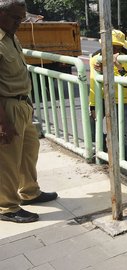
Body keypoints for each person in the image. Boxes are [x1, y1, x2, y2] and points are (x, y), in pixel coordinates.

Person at [0, 0, 57, 223]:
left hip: (22, 103)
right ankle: (6, 206)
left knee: (29, 149)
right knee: (8, 159)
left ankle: (29, 191)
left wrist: (28, 102)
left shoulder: (11, 37)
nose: (19, 23)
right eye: (15, 18)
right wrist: (3, 123)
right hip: (7, 107)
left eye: (21, 18)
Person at [89, 29, 127, 160]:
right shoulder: (96, 58)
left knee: (125, 134)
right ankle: (102, 152)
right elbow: (93, 83)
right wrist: (92, 104)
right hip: (102, 99)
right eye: (110, 46)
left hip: (123, 100)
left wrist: (119, 67)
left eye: (117, 47)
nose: (114, 50)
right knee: (92, 126)